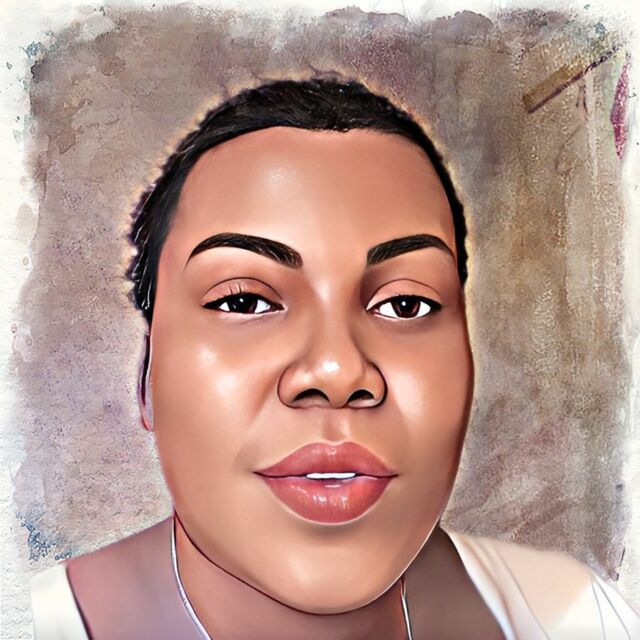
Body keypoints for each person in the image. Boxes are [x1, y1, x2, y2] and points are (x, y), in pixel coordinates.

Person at [30, 77, 640, 639]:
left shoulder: (579, 618)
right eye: (243, 301)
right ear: (147, 379)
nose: (337, 372)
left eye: (405, 304)